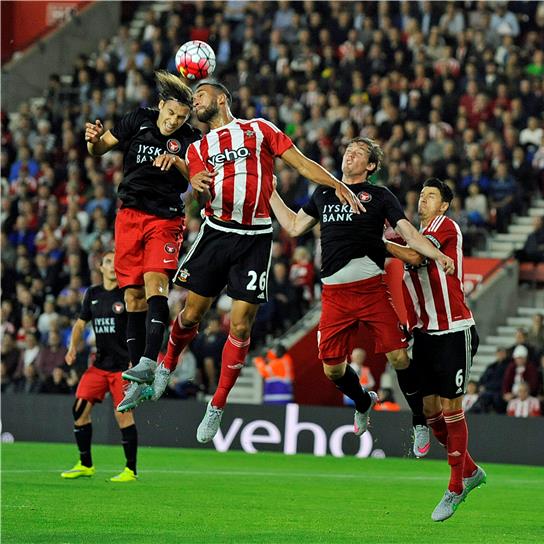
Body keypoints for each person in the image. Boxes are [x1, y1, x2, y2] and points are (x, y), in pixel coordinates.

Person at [120, 80, 364, 443]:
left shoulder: (259, 129)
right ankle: (164, 367)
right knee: (190, 314)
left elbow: (300, 162)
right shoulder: (198, 147)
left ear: (220, 98)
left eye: (199, 95)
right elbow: (194, 190)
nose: (194, 101)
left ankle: (217, 404)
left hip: (255, 238)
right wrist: (193, 182)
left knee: (242, 326)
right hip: (217, 232)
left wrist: (337, 185)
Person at [270, 138, 455, 450]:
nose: (349, 154)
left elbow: (408, 233)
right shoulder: (324, 192)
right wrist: (271, 192)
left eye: (358, 152)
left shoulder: (380, 196)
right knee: (332, 369)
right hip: (334, 296)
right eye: (347, 150)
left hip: (370, 290)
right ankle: (362, 400)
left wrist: (437, 256)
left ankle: (420, 421)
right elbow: (293, 226)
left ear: (370, 166)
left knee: (398, 356)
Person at [84, 71, 201, 412]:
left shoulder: (190, 139)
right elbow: (99, 148)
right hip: (129, 216)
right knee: (132, 296)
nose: (175, 121)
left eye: (181, 117)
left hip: (164, 218)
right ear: (161, 105)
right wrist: (92, 140)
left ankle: (151, 359)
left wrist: (178, 162)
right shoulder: (137, 119)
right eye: (171, 114)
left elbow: (199, 180)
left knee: (155, 285)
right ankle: (137, 373)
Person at [385, 178, 485, 522]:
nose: (423, 200)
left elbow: (413, 254)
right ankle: (469, 471)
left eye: (431, 196)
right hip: (425, 333)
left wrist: (380, 243)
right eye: (422, 195)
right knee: (430, 412)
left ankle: (456, 486)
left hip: (455, 330)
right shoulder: (409, 233)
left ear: (443, 205)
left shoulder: (445, 227)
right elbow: (396, 244)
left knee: (451, 408)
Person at [60, 251, 139, 483]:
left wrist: (137, 357)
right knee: (79, 410)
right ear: (100, 267)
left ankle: (130, 470)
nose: (113, 266)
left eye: (116, 262)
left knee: (122, 415)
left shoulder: (128, 293)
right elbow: (80, 324)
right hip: (100, 365)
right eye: (107, 262)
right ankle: (86, 464)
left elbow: (137, 328)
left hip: (122, 367)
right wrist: (72, 347)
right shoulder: (92, 294)